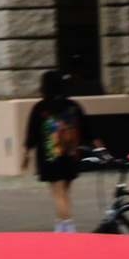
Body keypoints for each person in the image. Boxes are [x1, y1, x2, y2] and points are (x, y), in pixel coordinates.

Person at [20, 70, 89, 232]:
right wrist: (102, 149)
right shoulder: (72, 106)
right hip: (71, 155)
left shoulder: (40, 108)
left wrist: (26, 156)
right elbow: (88, 130)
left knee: (58, 194)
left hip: (50, 158)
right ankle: (60, 226)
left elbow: (32, 135)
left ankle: (69, 228)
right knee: (64, 193)